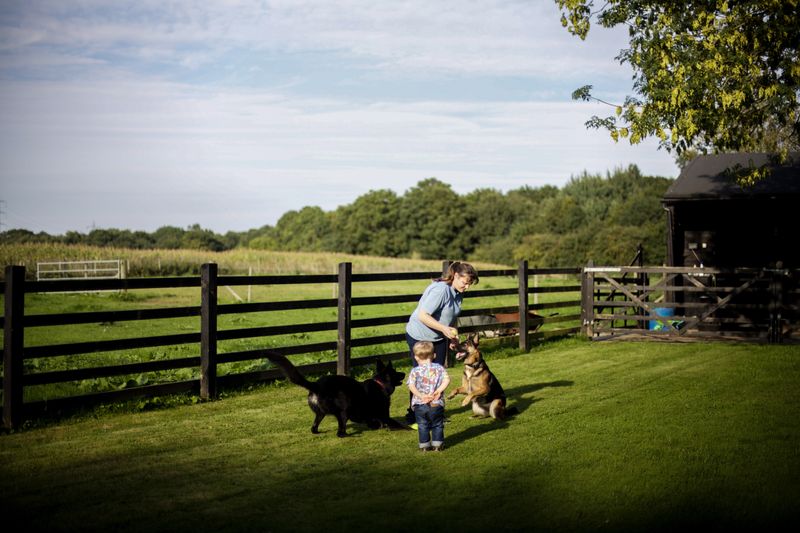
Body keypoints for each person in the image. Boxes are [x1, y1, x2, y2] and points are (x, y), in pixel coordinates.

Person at [404, 261, 479, 423]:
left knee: (437, 375)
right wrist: (444, 330)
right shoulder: (441, 290)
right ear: (456, 276)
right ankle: (415, 415)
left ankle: (436, 413)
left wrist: (451, 336)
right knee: (422, 375)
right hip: (419, 335)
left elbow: (450, 316)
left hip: (438, 337)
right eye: (465, 283)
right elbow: (423, 316)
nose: (467, 287)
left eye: (470, 284)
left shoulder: (458, 293)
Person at [406, 341, 450, 452]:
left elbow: (411, 386)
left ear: (416, 357)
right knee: (437, 424)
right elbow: (447, 380)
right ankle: (438, 445)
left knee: (422, 425)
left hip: (420, 404)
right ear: (434, 355)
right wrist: (439, 391)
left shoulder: (415, 371)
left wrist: (420, 395)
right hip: (436, 402)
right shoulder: (439, 368)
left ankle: (424, 445)